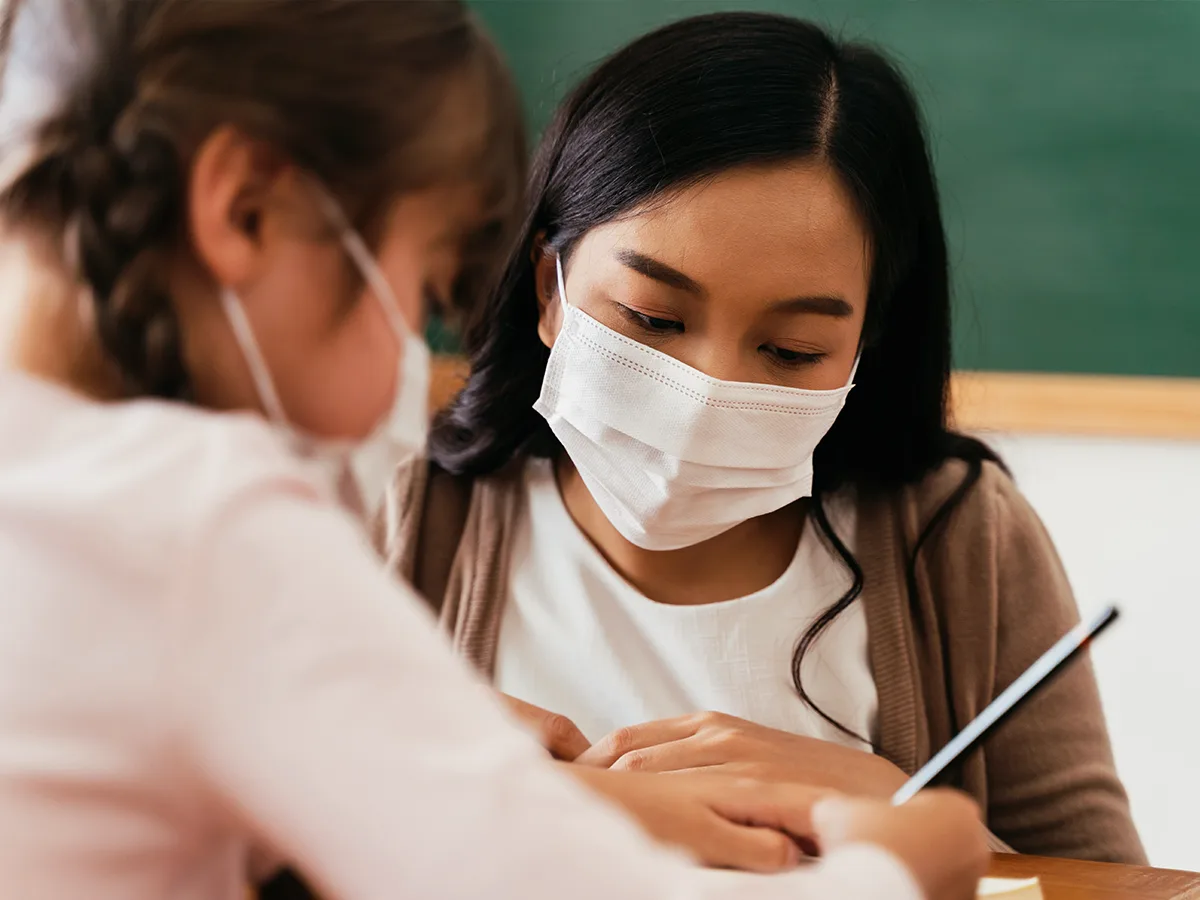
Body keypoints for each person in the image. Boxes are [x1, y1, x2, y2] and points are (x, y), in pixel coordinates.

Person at [0, 1, 992, 899]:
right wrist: (901, 865)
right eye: (427, 284)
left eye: (790, 350)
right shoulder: (207, 522)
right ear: (246, 208)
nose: (413, 347)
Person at [382, 11, 1145, 865]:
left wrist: (888, 806)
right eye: (651, 317)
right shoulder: (396, 518)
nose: (706, 395)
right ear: (548, 288)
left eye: (791, 351)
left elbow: (1111, 887)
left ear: (866, 348)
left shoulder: (957, 537)